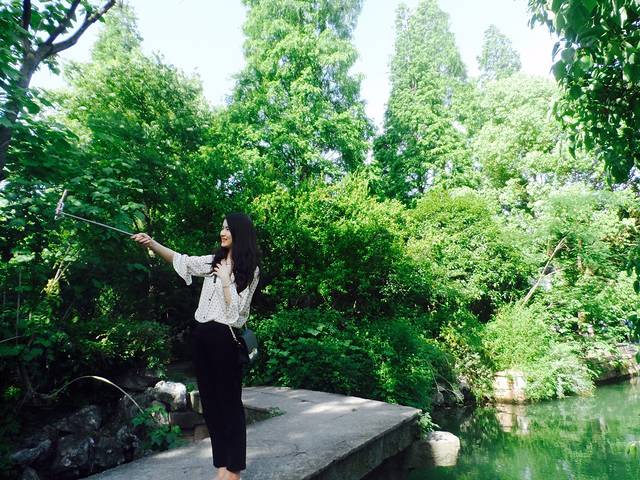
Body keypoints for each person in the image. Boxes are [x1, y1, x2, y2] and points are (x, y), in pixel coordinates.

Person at [131, 213, 260, 480]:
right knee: (210, 404)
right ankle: (222, 465)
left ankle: (234, 469)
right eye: (222, 227)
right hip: (202, 336)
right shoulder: (213, 261)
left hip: (225, 338)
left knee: (229, 404)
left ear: (240, 232)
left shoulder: (250, 270)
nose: (222, 232)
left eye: (228, 228)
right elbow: (183, 261)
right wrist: (152, 243)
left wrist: (226, 280)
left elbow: (237, 311)